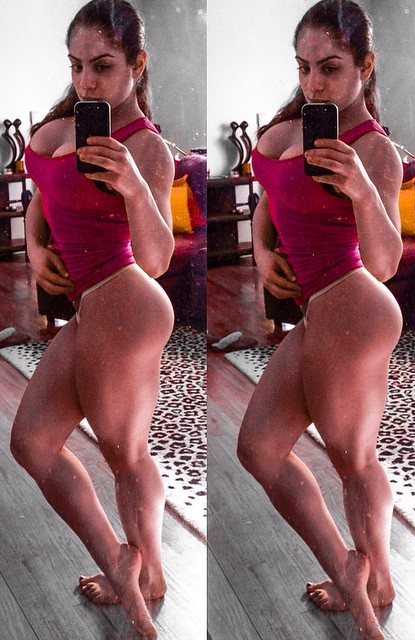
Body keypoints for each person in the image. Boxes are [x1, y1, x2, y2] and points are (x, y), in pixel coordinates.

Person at [236, 1, 404, 637]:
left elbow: (385, 262)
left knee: (352, 457)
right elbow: (268, 202)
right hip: (319, 311)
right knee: (258, 447)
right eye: (304, 68)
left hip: (356, 304)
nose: (314, 84)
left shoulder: (375, 151)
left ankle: (373, 582)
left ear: (364, 65)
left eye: (330, 68)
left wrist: (360, 189)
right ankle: (358, 570)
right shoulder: (289, 134)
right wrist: (263, 255)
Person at [10, 1, 175, 637]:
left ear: (136, 63)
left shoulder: (146, 147)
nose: (86, 82)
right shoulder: (62, 127)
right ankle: (128, 564)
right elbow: (42, 196)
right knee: (31, 442)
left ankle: (145, 576)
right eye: (76, 66)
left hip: (128, 300)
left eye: (102, 66)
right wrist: (36, 249)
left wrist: (133, 186)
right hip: (92, 308)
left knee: (123, 451)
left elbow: (156, 259)